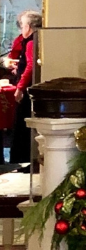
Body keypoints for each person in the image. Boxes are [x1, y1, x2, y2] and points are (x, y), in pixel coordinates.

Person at [6, 10, 41, 164]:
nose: (21, 29)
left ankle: (21, 160)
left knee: (21, 125)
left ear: (28, 27)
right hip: (29, 86)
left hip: (26, 90)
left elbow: (30, 66)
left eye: (22, 25)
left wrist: (19, 87)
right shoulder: (36, 40)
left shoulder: (31, 42)